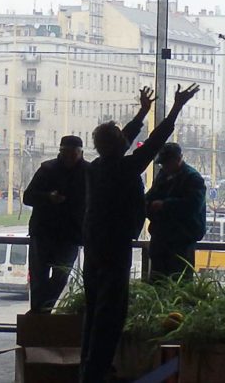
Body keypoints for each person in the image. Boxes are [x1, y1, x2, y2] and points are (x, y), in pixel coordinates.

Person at [79, 84, 198, 383]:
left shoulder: (98, 167)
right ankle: (97, 373)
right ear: (119, 145)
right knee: (110, 314)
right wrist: (176, 107)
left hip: (93, 247)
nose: (127, 140)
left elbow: (121, 142)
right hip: (114, 248)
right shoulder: (125, 168)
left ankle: (89, 370)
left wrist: (143, 113)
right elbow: (156, 141)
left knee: (94, 312)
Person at [23, 135, 87, 313]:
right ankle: (41, 312)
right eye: (66, 153)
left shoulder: (84, 172)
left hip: (63, 234)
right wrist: (48, 197)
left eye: (72, 153)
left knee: (56, 277)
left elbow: (29, 197)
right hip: (50, 233)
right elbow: (27, 197)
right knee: (42, 277)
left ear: (79, 153)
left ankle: (39, 312)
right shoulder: (48, 169)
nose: (69, 157)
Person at [145, 142, 207, 281]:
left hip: (181, 241)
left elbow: (192, 206)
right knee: (169, 282)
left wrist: (163, 205)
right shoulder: (168, 176)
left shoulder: (192, 178)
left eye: (167, 163)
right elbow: (150, 196)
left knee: (175, 280)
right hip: (165, 239)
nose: (165, 167)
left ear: (178, 159)